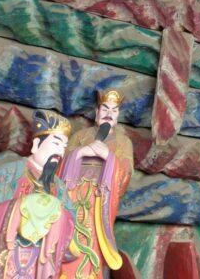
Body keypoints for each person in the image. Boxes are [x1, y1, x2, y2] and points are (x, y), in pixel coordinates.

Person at [0, 110, 76, 279]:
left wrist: (58, 214)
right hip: (6, 261)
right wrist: (18, 207)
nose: (60, 152)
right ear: (37, 144)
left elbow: (71, 225)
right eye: (56, 143)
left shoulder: (59, 188)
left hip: (39, 265)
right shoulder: (9, 173)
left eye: (64, 147)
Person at [59, 89, 134, 279]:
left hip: (100, 202)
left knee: (93, 240)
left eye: (114, 110)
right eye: (105, 109)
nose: (109, 114)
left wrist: (109, 158)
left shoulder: (123, 142)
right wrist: (80, 153)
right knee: (68, 236)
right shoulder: (80, 136)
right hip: (74, 197)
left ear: (118, 116)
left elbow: (125, 174)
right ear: (96, 112)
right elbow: (60, 166)